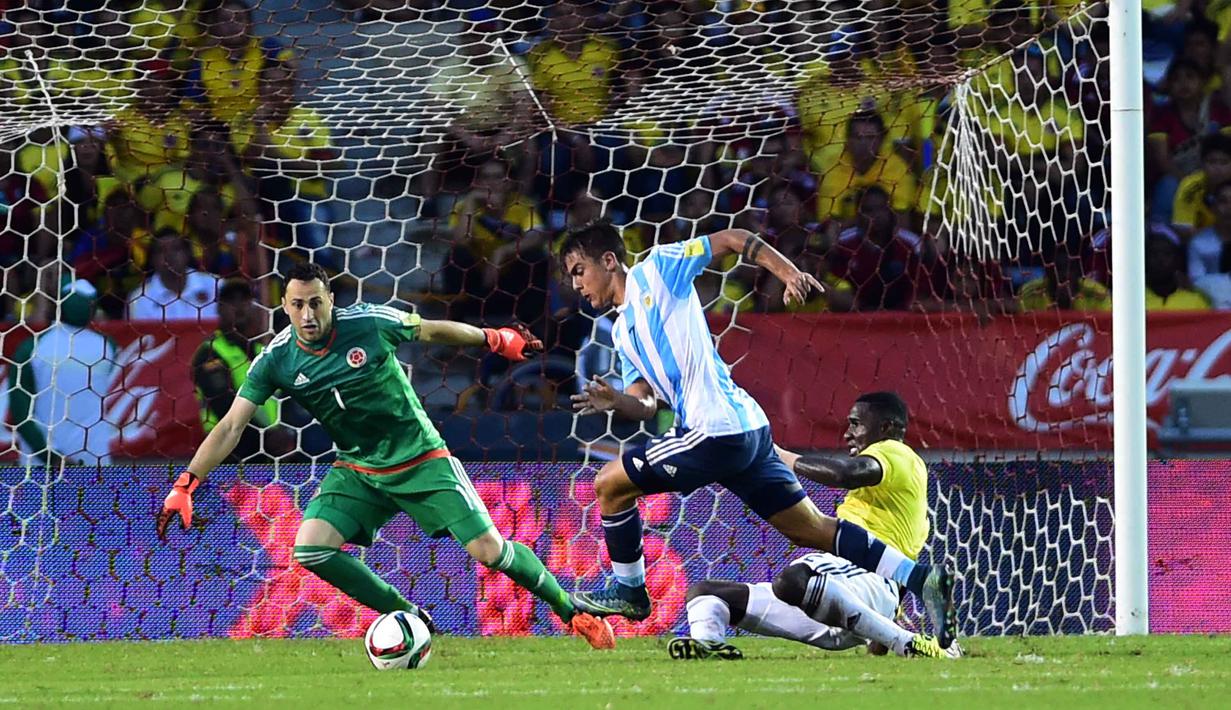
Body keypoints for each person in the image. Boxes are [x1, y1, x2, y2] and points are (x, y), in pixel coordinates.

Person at [156, 263, 614, 649]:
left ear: (329, 298)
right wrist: (187, 483)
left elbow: (430, 329)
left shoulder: (368, 323)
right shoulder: (276, 360)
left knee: (489, 551)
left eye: (316, 302)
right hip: (358, 468)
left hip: (421, 458)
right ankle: (408, 616)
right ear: (285, 307)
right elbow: (232, 425)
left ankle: (569, 609)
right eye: (297, 305)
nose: (308, 314)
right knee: (311, 548)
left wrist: (492, 338)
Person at [559, 221, 958, 648]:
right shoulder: (623, 332)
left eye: (579, 270)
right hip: (748, 429)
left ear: (608, 260)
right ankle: (924, 578)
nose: (576, 284)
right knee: (811, 529)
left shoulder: (658, 268)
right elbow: (646, 401)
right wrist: (616, 401)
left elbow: (732, 238)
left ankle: (630, 593)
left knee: (608, 485)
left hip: (714, 430)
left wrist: (787, 273)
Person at [673, 393, 960, 660]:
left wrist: (780, 456)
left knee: (794, 579)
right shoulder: (894, 480)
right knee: (705, 593)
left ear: (885, 428)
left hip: (864, 579)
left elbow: (845, 474)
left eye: (856, 424)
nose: (848, 434)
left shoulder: (896, 452)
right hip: (836, 598)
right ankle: (708, 647)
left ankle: (909, 644)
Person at [8, 278, 117, 467]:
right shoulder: (108, 347)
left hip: (41, 465)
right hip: (94, 461)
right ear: (93, 308)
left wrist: (52, 457)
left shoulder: (31, 348)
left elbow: (21, 413)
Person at [190, 280, 286, 462]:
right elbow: (223, 404)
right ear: (219, 309)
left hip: (270, 454)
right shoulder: (210, 353)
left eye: (245, 299)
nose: (239, 306)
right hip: (229, 453)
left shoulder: (262, 351)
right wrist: (268, 438)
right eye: (231, 300)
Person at [127, 230, 220, 321]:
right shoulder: (139, 299)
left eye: (176, 249)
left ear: (187, 253)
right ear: (152, 259)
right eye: (161, 251)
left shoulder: (216, 285)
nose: (169, 255)